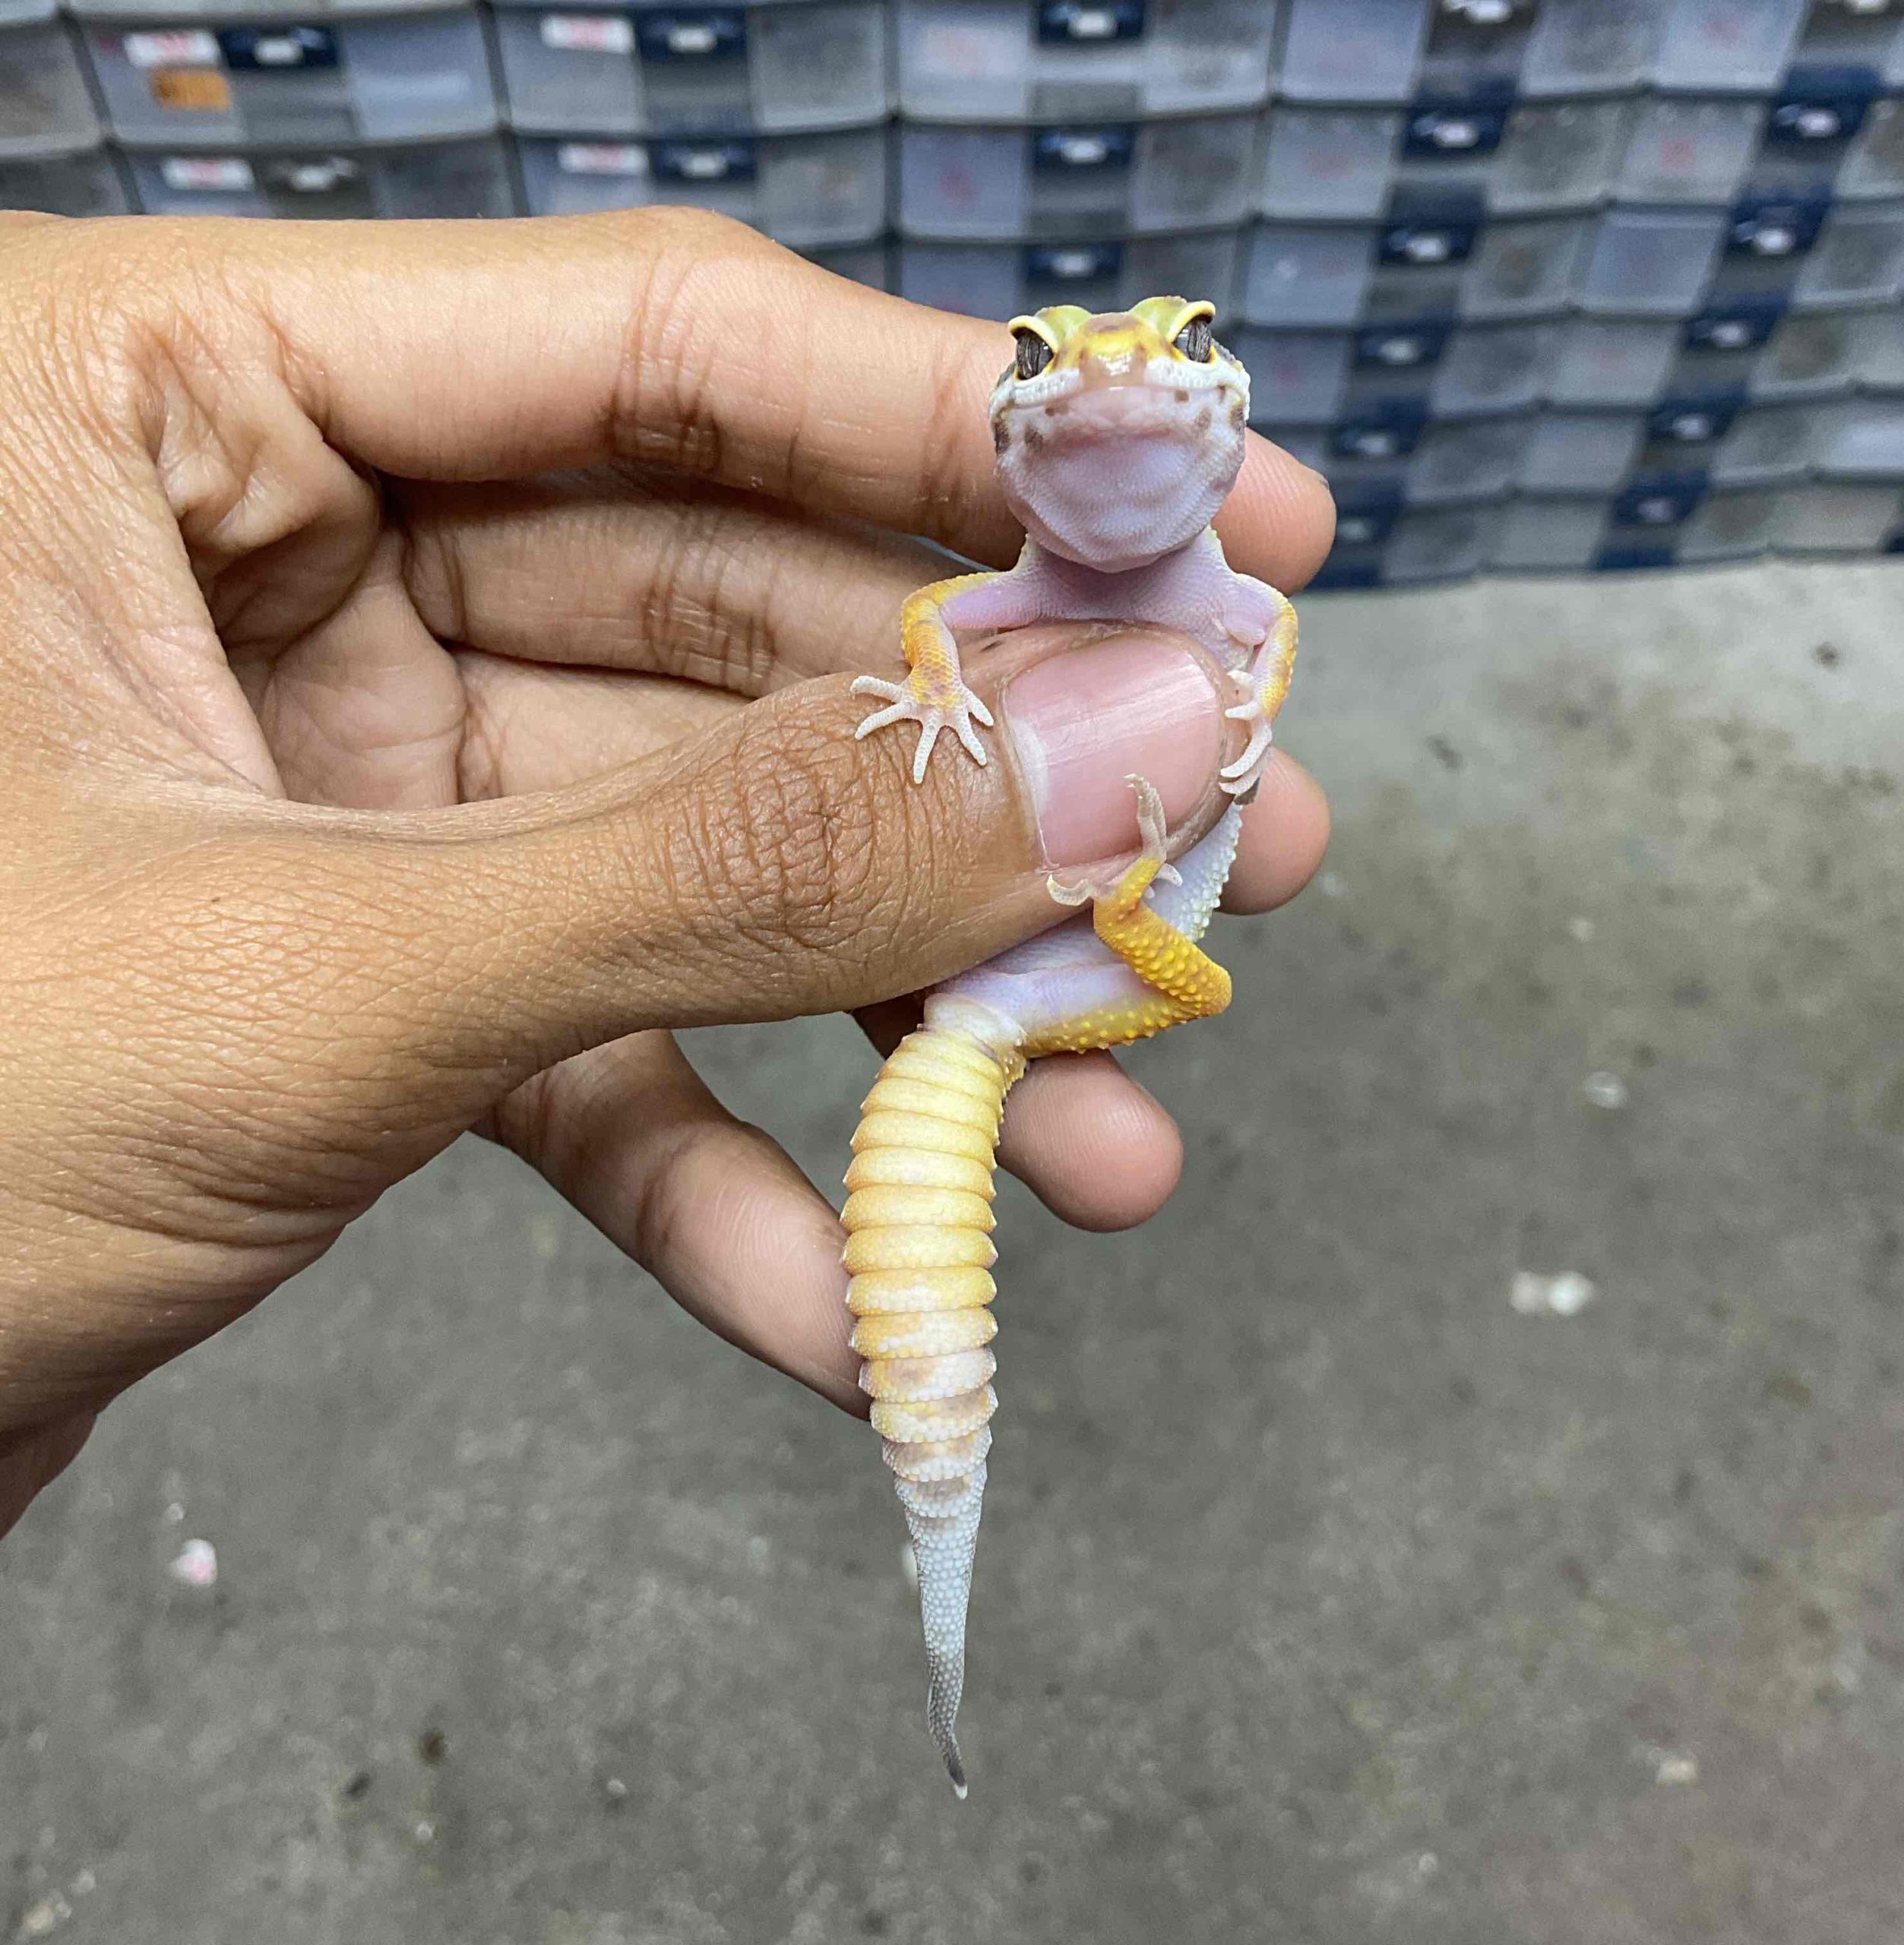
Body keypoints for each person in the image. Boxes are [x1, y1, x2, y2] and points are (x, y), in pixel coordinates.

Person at [0, 207, 1333, 1539]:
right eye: (1039, 357)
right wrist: (951, 720)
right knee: (1110, 1040)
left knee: (1190, 990)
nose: (1116, 368)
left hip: (1041, 983)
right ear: (1013, 428)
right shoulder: (1076, 597)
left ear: (1219, 400)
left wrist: (1179, 793)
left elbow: (1264, 639)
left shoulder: (1231, 603)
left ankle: (945, 1496)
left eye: (1185, 341)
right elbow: (939, 615)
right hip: (1004, 959)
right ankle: (944, 1498)